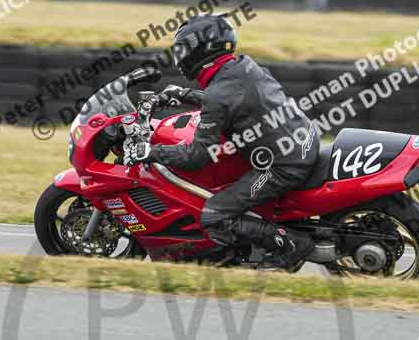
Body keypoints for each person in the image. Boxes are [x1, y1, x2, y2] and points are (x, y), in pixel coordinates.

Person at [123, 13, 319, 268]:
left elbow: (198, 156)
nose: (181, 57)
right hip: (303, 142)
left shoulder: (219, 93)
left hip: (283, 165)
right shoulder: (243, 67)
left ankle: (292, 245)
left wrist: (151, 151)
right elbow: (230, 100)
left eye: (184, 50)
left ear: (202, 50)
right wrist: (183, 94)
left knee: (215, 215)